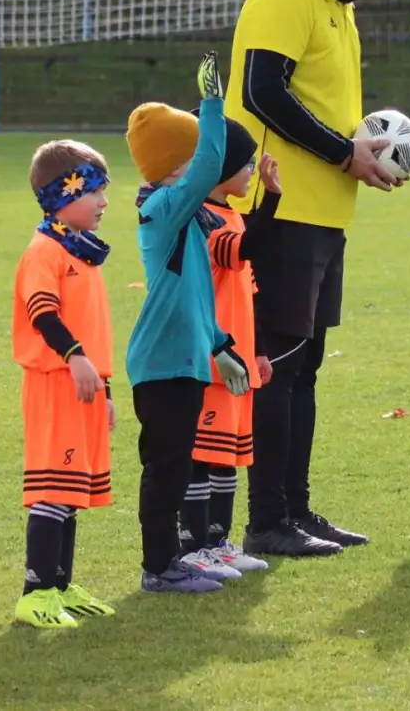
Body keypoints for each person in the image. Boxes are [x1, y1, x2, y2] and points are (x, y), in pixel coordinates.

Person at [225, 0, 410, 557]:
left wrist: (364, 153)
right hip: (277, 209)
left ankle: (296, 511)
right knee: (276, 367)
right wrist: (344, 152)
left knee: (303, 370)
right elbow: (260, 91)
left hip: (325, 215)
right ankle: (266, 521)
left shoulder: (338, 7)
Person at [125, 53, 251, 594]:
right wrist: (213, 107)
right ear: (178, 163)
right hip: (161, 361)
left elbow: (196, 298)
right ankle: (160, 567)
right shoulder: (166, 207)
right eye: (195, 147)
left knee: (175, 469)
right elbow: (210, 164)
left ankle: (177, 558)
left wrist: (219, 342)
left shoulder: (185, 215)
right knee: (166, 471)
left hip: (183, 356)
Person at [12, 139, 116, 629]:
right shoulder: (44, 251)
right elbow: (43, 314)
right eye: (95, 192)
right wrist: (75, 359)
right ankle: (35, 592)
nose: (104, 202)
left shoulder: (81, 253)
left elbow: (90, 328)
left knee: (72, 488)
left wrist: (105, 390)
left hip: (82, 385)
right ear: (63, 195)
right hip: (56, 382)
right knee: (54, 485)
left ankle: (60, 583)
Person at [180, 121, 278, 576]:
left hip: (239, 364)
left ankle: (219, 542)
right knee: (203, 456)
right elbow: (244, 249)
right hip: (212, 362)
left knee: (230, 456)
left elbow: (249, 291)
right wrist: (272, 199)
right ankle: (193, 545)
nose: (252, 171)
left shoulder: (233, 215)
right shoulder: (203, 218)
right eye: (245, 164)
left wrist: (257, 352)